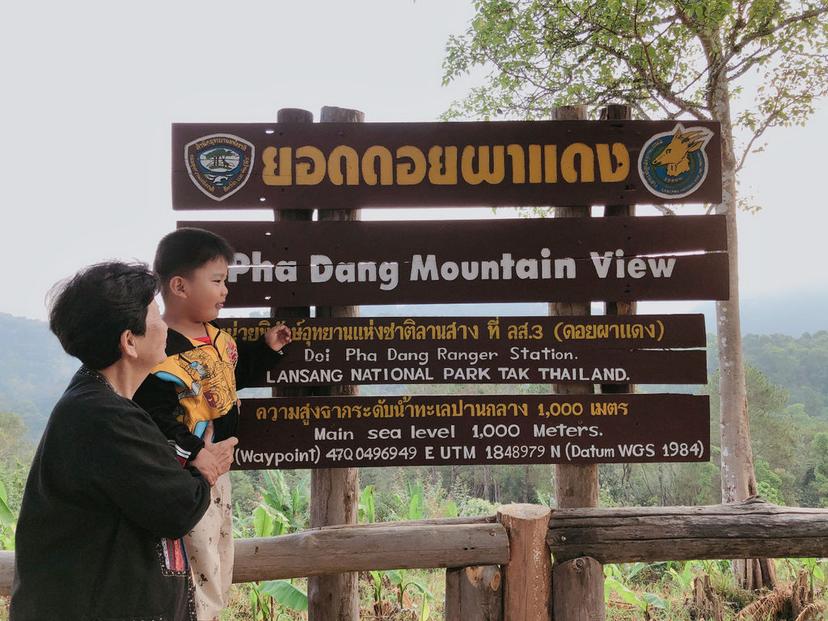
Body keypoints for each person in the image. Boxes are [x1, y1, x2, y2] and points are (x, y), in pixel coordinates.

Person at [10, 262, 216, 621]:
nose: (164, 325)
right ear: (129, 341)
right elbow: (178, 508)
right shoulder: (105, 416)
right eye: (155, 315)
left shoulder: (97, 402)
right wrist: (206, 469)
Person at [133, 227, 291, 621]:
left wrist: (267, 351)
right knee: (192, 563)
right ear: (180, 286)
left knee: (219, 557)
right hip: (184, 478)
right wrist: (195, 453)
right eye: (217, 281)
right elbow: (153, 417)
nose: (225, 291)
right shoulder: (160, 349)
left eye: (226, 282)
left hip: (219, 474)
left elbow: (231, 377)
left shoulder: (221, 341)